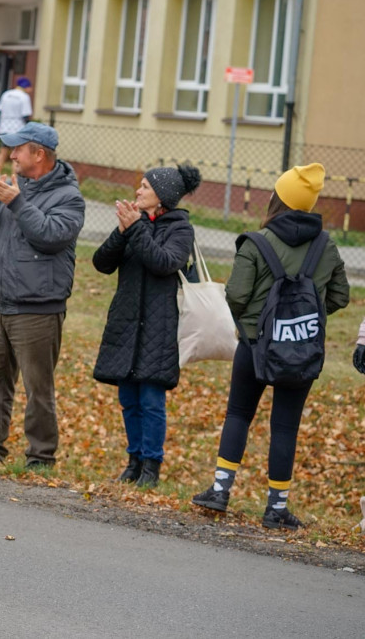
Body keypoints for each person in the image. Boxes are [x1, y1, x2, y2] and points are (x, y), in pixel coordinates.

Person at [191, 163, 349, 530]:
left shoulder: (255, 242)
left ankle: (220, 491)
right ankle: (276, 509)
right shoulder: (327, 245)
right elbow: (340, 295)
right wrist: (302, 320)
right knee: (286, 427)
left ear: (278, 199)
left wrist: (254, 327)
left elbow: (237, 295)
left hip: (255, 346)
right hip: (302, 349)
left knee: (239, 414)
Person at [0, 122, 85, 467]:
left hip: (37, 309)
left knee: (38, 389)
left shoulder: (68, 197)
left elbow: (50, 235)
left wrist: (16, 202)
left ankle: (41, 455)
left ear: (39, 154)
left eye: (19, 149)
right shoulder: (9, 187)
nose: (12, 155)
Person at [92, 165, 201, 488]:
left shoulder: (180, 229)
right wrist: (122, 230)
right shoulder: (134, 224)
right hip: (126, 323)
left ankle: (151, 465)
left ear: (162, 197)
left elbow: (164, 262)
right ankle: (134, 460)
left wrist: (136, 229)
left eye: (144, 187)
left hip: (159, 326)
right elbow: (102, 263)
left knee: (152, 400)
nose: (137, 192)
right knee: (129, 398)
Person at [0, 77, 33, 171]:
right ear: (26, 87)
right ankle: (14, 180)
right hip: (17, 130)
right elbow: (25, 116)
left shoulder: (6, 94)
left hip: (4, 128)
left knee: (2, 153)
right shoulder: (24, 97)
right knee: (17, 156)